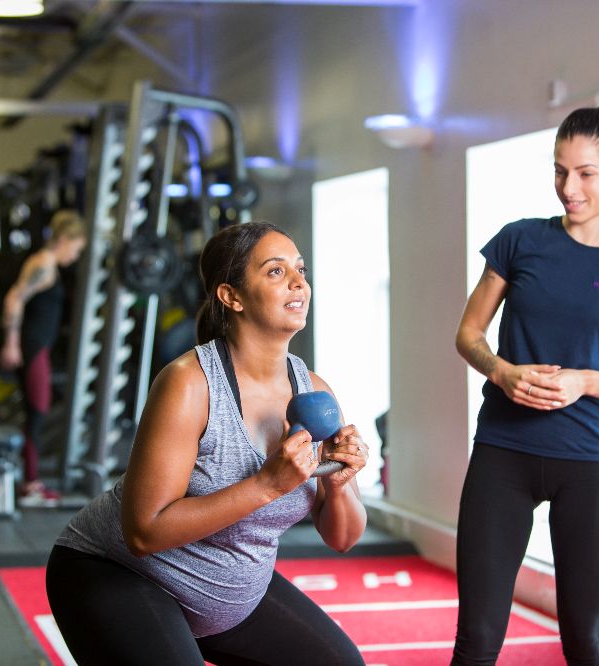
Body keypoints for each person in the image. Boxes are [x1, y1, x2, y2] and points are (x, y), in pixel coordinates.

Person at [45, 222, 369, 665]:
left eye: (300, 269)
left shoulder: (314, 390)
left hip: (229, 593)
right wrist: (267, 485)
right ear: (231, 296)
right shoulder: (190, 385)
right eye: (275, 272)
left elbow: (343, 538)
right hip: (118, 573)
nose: (299, 282)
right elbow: (144, 531)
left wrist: (338, 478)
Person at [452, 101, 599, 665]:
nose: (568, 187)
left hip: (587, 462)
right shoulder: (520, 240)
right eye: (559, 170)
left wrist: (585, 381)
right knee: (477, 641)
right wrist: (501, 371)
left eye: (585, 173)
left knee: (585, 644)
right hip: (502, 454)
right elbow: (468, 334)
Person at [0, 210, 87, 507]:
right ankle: (30, 486)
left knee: (36, 412)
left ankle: (29, 481)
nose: (75, 256)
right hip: (33, 346)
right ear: (64, 239)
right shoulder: (44, 264)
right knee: (37, 411)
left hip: (37, 346)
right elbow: (14, 298)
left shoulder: (46, 264)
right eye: (76, 248)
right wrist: (11, 343)